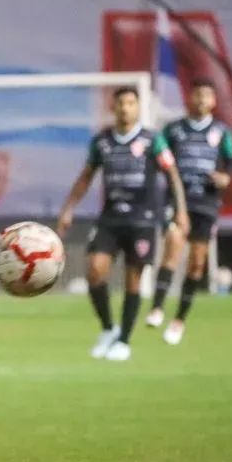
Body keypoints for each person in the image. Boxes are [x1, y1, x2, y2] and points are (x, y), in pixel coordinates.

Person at [57, 87, 189, 362]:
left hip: (142, 220)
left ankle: (124, 341)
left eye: (131, 103)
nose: (126, 108)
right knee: (95, 270)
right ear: (113, 107)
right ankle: (108, 328)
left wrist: (181, 211)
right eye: (121, 103)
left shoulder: (153, 140)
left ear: (138, 108)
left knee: (133, 280)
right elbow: (86, 176)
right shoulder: (102, 141)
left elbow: (172, 174)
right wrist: (68, 209)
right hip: (110, 218)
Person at [145, 79, 232, 344]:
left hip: (206, 202)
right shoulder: (173, 130)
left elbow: (230, 162)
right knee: (173, 248)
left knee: (197, 262)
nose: (201, 100)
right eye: (197, 95)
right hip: (178, 200)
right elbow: (160, 159)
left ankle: (179, 320)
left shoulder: (221, 131)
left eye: (206, 96)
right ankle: (157, 307)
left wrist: (225, 177)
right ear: (189, 98)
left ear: (213, 101)